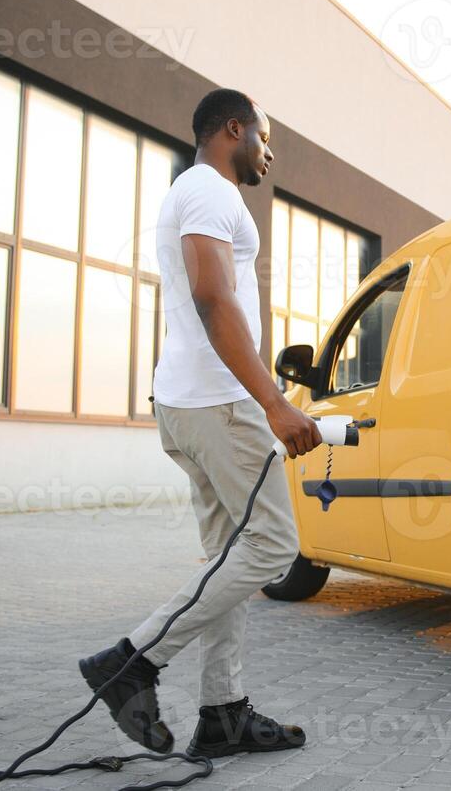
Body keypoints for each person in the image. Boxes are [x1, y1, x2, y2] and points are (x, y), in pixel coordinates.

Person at [79, 89, 322, 758]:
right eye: (265, 139)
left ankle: (223, 712)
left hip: (190, 403)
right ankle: (131, 662)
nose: (269, 154)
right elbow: (213, 299)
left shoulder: (193, 192)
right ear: (232, 129)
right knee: (272, 549)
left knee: (229, 561)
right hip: (221, 406)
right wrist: (273, 402)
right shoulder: (211, 192)